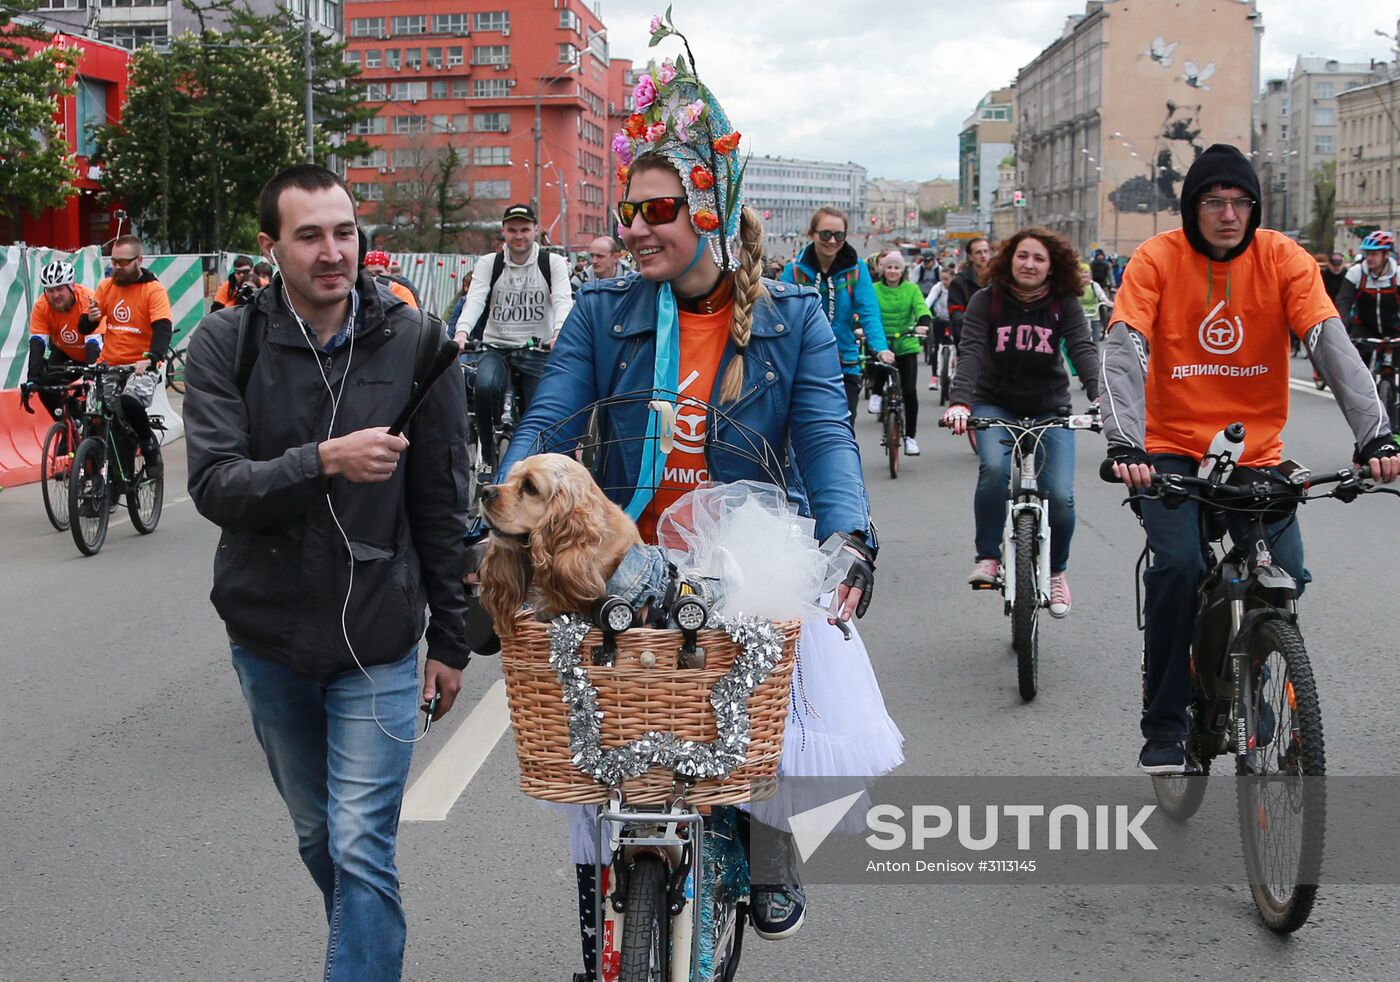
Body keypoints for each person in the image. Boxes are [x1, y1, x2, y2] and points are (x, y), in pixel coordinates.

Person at [495, 24, 901, 978]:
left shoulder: (791, 317)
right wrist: (509, 508)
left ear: (709, 210)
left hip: (739, 558)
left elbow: (828, 439)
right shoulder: (601, 311)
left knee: (757, 708)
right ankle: (613, 914)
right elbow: (547, 423)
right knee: (609, 738)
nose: (633, 227)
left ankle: (765, 843)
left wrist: (847, 536)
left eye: (657, 209)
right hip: (622, 554)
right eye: (626, 209)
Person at [183, 163, 472, 981]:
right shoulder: (225, 343)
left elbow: (443, 506)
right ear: (272, 246)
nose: (332, 251)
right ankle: (363, 940)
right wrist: (325, 461)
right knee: (321, 838)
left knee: (359, 844)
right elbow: (214, 486)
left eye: (344, 231)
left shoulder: (418, 343)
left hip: (377, 640)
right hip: (268, 639)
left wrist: (450, 641)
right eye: (308, 235)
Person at [1100, 144, 1399, 774]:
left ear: (1254, 207)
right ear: (1193, 207)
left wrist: (1375, 434)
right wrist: (1125, 441)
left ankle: (1260, 683)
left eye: (1240, 202)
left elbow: (1329, 341)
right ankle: (1166, 723)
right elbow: (1123, 347)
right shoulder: (1158, 258)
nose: (1228, 214)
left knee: (1284, 571)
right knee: (1178, 567)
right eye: (1214, 202)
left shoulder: (1283, 257)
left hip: (1256, 455)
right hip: (1169, 452)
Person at [941, 227, 1100, 617]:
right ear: (1010, 259)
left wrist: (1102, 398)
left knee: (1060, 496)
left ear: (1052, 266)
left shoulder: (1064, 303)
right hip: (995, 404)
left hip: (1050, 408)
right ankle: (988, 557)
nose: (1029, 264)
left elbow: (1082, 349)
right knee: (994, 469)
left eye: (1039, 258)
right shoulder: (987, 300)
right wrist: (960, 402)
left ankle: (1057, 571)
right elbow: (973, 350)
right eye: (1023, 256)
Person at [451, 203, 573, 469]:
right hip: (496, 347)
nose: (519, 236)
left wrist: (559, 332)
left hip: (537, 349)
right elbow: (475, 300)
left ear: (536, 231)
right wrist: (462, 333)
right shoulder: (489, 263)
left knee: (540, 411)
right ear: (503, 232)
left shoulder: (551, 264)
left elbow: (563, 300)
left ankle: (538, 462)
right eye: (512, 230)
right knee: (483, 387)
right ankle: (487, 454)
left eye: (525, 230)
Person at [781, 207, 894, 423]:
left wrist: (880, 348)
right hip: (803, 364)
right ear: (812, 234)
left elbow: (869, 313)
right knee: (801, 431)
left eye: (839, 235)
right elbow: (782, 316)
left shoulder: (856, 270)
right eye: (825, 234)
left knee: (843, 431)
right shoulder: (794, 271)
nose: (832, 241)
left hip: (844, 362)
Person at [95, 234, 173, 478]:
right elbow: (87, 327)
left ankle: (149, 444)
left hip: (141, 364)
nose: (116, 267)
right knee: (100, 418)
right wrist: (88, 319)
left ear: (139, 260)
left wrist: (152, 358)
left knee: (130, 400)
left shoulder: (153, 290)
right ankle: (100, 485)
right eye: (113, 261)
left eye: (122, 262)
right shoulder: (106, 287)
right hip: (110, 364)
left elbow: (162, 327)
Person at [22, 260, 105, 421]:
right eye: (50, 290)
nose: (55, 295)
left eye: (60, 289)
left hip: (96, 352)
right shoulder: (41, 306)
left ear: (72, 286)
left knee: (91, 397)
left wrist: (89, 378)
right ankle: (68, 427)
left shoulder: (88, 300)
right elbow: (37, 343)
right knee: (45, 384)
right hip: (66, 352)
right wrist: (32, 379)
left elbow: (93, 343)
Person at [871, 251, 931, 453]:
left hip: (906, 343)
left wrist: (923, 323)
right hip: (882, 340)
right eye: (889, 267)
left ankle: (910, 438)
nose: (892, 271)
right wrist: (860, 326)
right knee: (878, 364)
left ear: (902, 270)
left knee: (909, 391)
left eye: (896, 267)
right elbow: (866, 311)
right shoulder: (874, 289)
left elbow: (922, 308)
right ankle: (876, 394)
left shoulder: (912, 289)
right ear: (883, 269)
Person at [1334, 230, 1398, 366]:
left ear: (1386, 254)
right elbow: (1343, 301)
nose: (1369, 258)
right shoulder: (1356, 273)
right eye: (1367, 253)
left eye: (1374, 254)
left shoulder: (1397, 275)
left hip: (1394, 329)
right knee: (1356, 364)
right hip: (1364, 328)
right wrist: (1342, 327)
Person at [946, 236, 991, 347]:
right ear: (970, 257)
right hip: (969, 336)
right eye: (978, 252)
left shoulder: (999, 278)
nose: (983, 256)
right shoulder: (960, 281)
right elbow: (955, 313)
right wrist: (973, 321)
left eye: (986, 251)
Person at [1076, 260, 1111, 344]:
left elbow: (1101, 295)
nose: (1084, 275)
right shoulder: (1075, 286)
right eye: (1081, 272)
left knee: (1095, 342)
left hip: (1094, 316)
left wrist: (1108, 302)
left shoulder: (1094, 285)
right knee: (1080, 341)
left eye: (1086, 272)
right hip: (1080, 316)